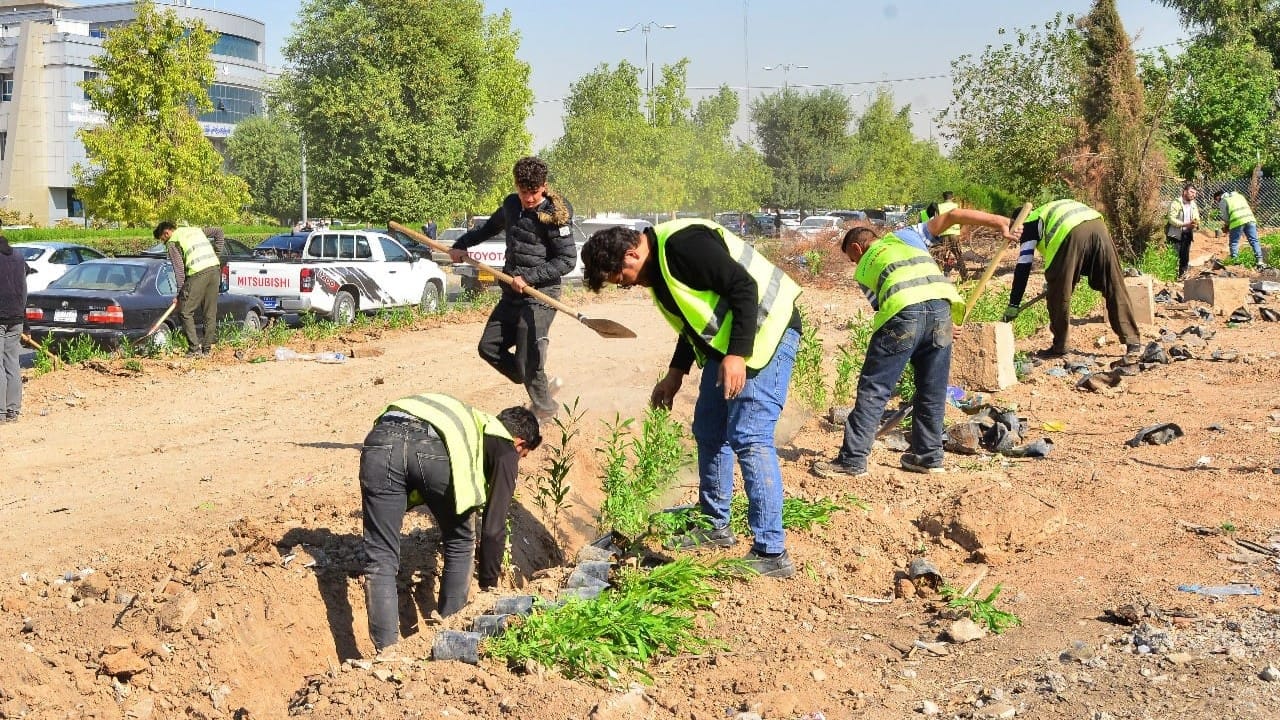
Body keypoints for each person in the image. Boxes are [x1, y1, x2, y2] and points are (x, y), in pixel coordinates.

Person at [581, 218, 803, 579]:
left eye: (623, 279)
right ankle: (716, 525)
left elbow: (743, 286)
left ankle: (771, 551)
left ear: (632, 253)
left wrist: (737, 355)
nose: (629, 286)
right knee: (709, 429)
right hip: (733, 340)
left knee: (750, 437)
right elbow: (695, 322)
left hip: (766, 333)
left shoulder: (684, 246)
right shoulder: (661, 268)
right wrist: (675, 373)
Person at [811, 208, 1020, 479]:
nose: (854, 264)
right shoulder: (908, 235)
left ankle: (852, 460)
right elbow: (953, 215)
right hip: (942, 309)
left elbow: (895, 310)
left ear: (857, 248)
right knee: (932, 389)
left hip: (903, 313)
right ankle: (928, 457)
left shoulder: (864, 267)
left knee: (875, 388)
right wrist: (1002, 222)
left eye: (852, 259)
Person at [360, 394, 541, 652]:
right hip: (429, 445)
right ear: (520, 442)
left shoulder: (472, 421)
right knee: (460, 541)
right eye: (523, 455)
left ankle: (387, 654)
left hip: (379, 440)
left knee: (380, 558)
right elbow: (493, 528)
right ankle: (451, 638)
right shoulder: (505, 446)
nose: (518, 461)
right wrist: (489, 587)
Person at [449, 157, 575, 422]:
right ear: (516, 186)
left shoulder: (556, 215)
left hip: (542, 296)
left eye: (534, 192)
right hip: (511, 291)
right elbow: (487, 229)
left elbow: (567, 261)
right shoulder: (510, 205)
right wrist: (462, 244)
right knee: (489, 347)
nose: (528, 198)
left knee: (529, 354)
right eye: (523, 191)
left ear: (544, 186)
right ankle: (529, 374)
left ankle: (545, 408)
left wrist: (529, 277)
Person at [1003, 200, 1142, 359]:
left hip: (1070, 232)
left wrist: (1014, 303)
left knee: (1058, 294)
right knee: (1114, 284)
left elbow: (1023, 266)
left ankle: (1060, 346)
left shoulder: (1027, 224)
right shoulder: (1048, 209)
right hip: (1097, 224)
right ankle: (1133, 342)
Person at [153, 221, 225, 358]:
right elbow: (219, 231)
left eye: (162, 240)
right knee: (210, 312)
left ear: (166, 233)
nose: (164, 243)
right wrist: (217, 254)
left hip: (198, 273)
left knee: (185, 311)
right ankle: (207, 350)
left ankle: (194, 349)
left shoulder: (173, 242)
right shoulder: (195, 230)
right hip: (215, 270)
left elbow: (179, 271)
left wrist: (180, 294)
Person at [0, 234, 26, 422]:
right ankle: (13, 410)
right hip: (16, 317)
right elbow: (24, 290)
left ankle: (0, 412)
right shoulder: (18, 256)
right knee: (12, 363)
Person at [1213, 189, 1265, 268]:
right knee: (1254, 241)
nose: (1218, 202)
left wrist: (1226, 226)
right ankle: (1260, 262)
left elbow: (1226, 217)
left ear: (1218, 196)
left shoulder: (1224, 200)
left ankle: (1236, 262)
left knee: (1234, 242)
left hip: (1236, 221)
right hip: (1250, 219)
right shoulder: (1239, 196)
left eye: (1217, 200)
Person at [1166, 183, 1200, 279]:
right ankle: (1170, 277)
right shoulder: (1176, 203)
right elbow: (1171, 219)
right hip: (1175, 235)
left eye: (1195, 193)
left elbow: (1197, 217)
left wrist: (1196, 223)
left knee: (1185, 257)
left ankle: (1183, 276)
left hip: (1187, 234)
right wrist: (1185, 224)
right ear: (1185, 192)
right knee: (1173, 257)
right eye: (1191, 192)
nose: (1193, 195)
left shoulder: (1193, 204)